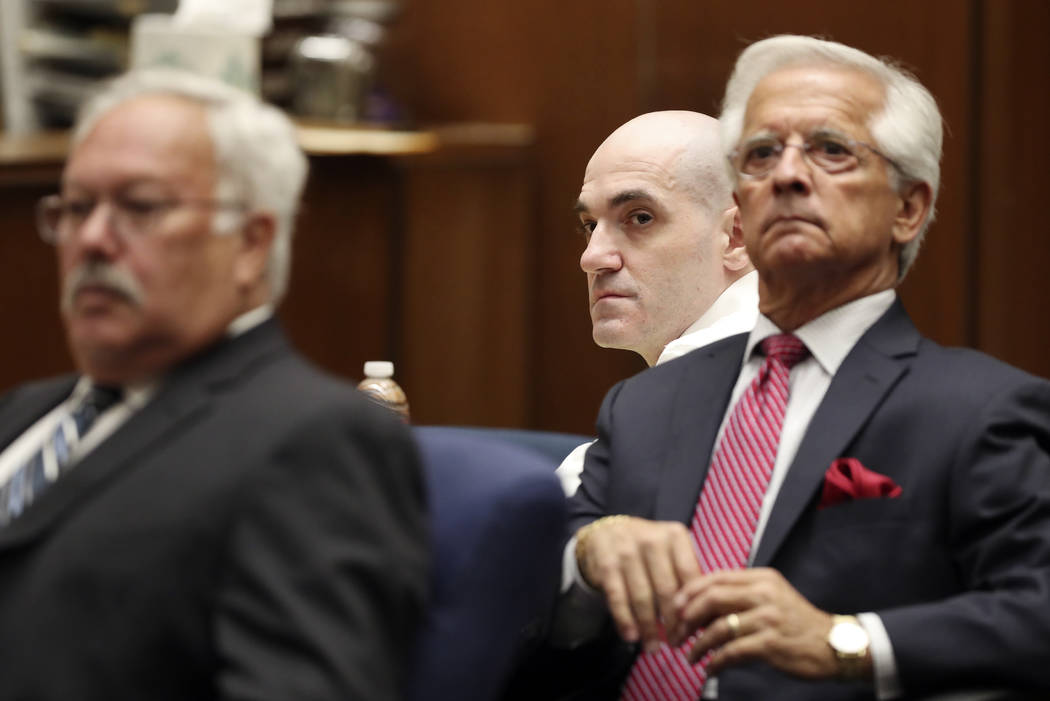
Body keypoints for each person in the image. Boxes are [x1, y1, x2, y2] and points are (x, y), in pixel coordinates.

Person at [564, 35, 1050, 700]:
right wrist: (588, 552)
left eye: (830, 150)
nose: (788, 176)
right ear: (739, 210)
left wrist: (844, 640)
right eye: (762, 154)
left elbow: (1037, 610)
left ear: (907, 208)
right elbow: (531, 596)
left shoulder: (979, 410)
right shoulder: (643, 405)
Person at [0, 69, 428, 701]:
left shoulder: (316, 441)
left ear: (252, 243)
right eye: (76, 208)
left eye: (140, 207)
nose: (90, 239)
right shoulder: (24, 410)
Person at [557, 111, 757, 496]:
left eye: (640, 218)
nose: (592, 257)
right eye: (589, 226)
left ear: (737, 237)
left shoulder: (729, 383)